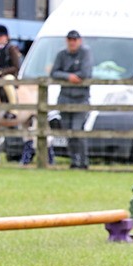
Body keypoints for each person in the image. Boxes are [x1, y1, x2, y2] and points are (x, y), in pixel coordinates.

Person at [51, 29, 92, 169]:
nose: (72, 42)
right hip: (65, 98)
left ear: (79, 41)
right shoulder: (61, 54)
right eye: (70, 40)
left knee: (77, 130)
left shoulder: (85, 53)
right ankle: (74, 161)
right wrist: (68, 77)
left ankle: (83, 161)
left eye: (75, 40)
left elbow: (85, 73)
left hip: (81, 98)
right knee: (68, 131)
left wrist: (71, 75)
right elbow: (54, 72)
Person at [0, 25, 22, 119]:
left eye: (0, 37)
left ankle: (13, 110)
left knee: (7, 83)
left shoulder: (11, 49)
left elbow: (16, 66)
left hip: (9, 74)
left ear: (6, 37)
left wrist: (2, 72)